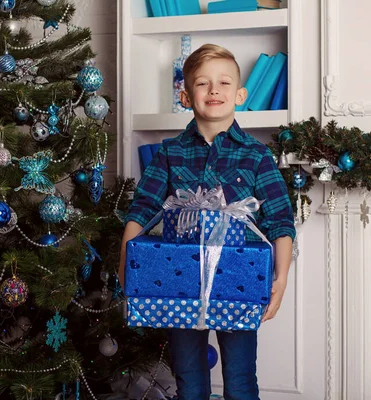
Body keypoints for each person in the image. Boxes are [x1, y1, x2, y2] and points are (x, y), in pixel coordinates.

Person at [118, 44, 296, 400]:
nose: (214, 90)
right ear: (185, 96)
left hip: (240, 281)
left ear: (240, 95)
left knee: (241, 379)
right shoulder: (170, 152)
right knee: (189, 379)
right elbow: (141, 210)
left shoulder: (257, 156)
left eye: (224, 82)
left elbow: (280, 220)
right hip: (178, 280)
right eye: (202, 84)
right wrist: (126, 264)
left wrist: (281, 279)